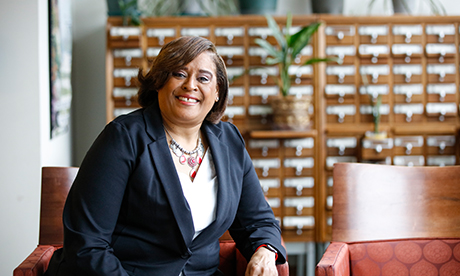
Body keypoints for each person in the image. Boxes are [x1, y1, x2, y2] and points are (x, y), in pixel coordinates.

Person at [45, 36, 286, 276]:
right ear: (159, 81)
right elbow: (88, 245)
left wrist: (265, 251)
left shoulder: (229, 140)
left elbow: (258, 221)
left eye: (203, 78)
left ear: (216, 92)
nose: (190, 85)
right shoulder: (123, 138)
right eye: (179, 74)